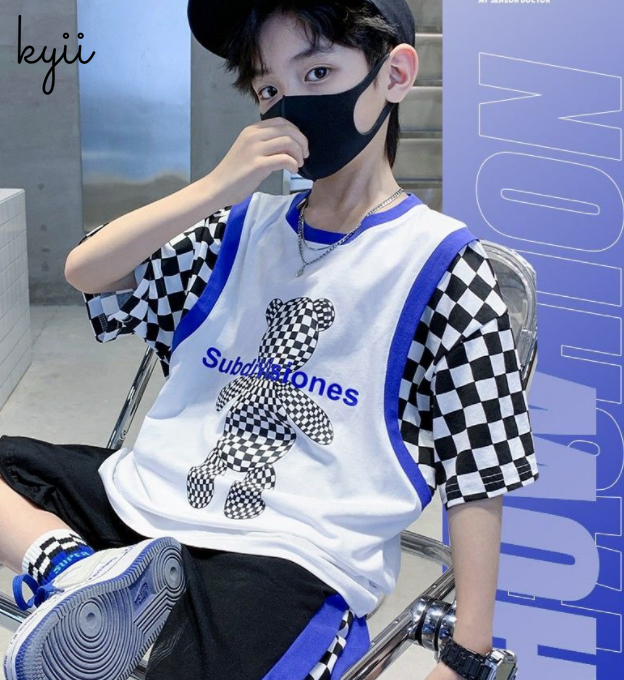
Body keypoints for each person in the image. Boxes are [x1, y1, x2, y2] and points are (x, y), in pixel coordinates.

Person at [0, 2, 540, 679]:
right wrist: (216, 187)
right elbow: (88, 271)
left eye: (317, 73)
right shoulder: (237, 230)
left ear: (395, 75)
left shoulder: (445, 267)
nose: (291, 106)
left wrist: (466, 653)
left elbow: (480, 468)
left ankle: (99, 597)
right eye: (269, 89)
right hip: (147, 506)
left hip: (295, 549)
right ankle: (80, 575)